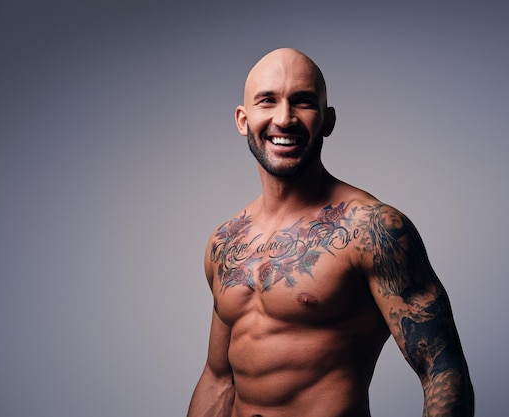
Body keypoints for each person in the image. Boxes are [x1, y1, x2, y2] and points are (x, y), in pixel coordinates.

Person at [187, 48, 474, 417]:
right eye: (267, 101)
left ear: (327, 120)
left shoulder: (372, 229)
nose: (284, 118)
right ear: (243, 119)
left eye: (303, 102)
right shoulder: (225, 242)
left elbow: (442, 368)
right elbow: (218, 378)